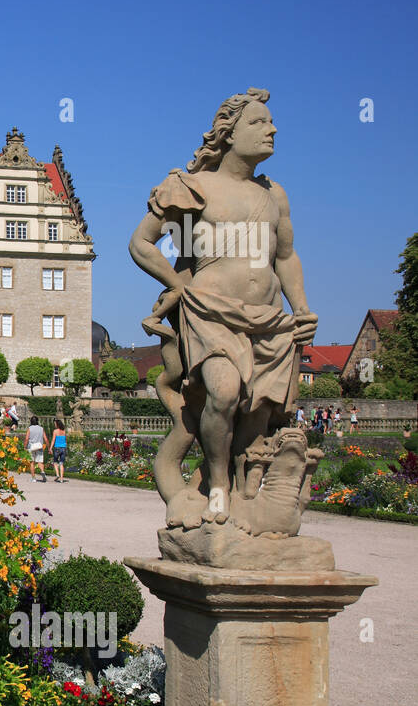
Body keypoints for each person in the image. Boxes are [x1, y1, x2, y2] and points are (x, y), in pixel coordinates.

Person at [129, 87, 317, 527]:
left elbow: (285, 257)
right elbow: (141, 242)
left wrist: (302, 309)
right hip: (211, 313)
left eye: (270, 122)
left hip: (269, 320)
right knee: (225, 391)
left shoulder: (275, 195)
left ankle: (245, 496)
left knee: (257, 414)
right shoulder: (194, 187)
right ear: (228, 134)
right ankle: (218, 485)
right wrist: (179, 287)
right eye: (258, 122)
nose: (271, 129)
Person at [26, 416, 49, 481]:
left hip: (31, 446)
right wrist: (49, 447)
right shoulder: (41, 428)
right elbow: (46, 439)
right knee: (40, 462)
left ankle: (33, 478)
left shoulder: (30, 428)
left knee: (32, 462)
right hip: (39, 446)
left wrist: (25, 446)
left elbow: (27, 438)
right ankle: (42, 471)